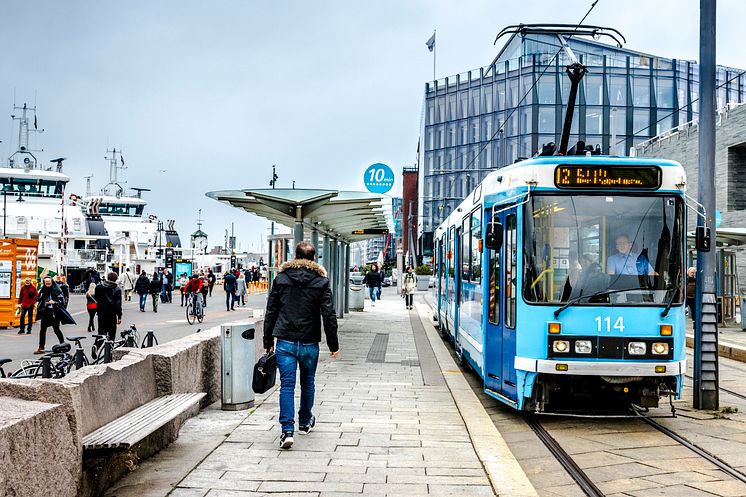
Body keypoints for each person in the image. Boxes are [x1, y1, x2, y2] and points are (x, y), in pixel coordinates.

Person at [263, 241, 339, 450]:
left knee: (287, 385)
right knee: (308, 382)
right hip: (308, 342)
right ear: (314, 258)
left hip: (285, 341)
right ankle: (305, 422)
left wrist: (267, 340)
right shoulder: (321, 281)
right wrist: (333, 344)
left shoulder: (281, 278)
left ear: (295, 257)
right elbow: (328, 314)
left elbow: (271, 311)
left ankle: (287, 430)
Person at [34, 277, 65, 354]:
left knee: (56, 330)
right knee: (42, 330)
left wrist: (54, 302)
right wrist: (40, 300)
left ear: (52, 283)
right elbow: (38, 299)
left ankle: (63, 344)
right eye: (46, 283)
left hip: (54, 313)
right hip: (45, 312)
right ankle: (41, 347)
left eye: (49, 283)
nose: (47, 285)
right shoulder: (43, 290)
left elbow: (62, 302)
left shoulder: (57, 290)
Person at [95, 271, 123, 341]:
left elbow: (96, 299)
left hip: (101, 314)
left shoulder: (99, 287)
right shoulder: (117, 289)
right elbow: (118, 304)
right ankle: (109, 350)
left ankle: (96, 346)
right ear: (116, 279)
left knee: (101, 333)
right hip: (112, 314)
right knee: (111, 334)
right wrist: (119, 316)